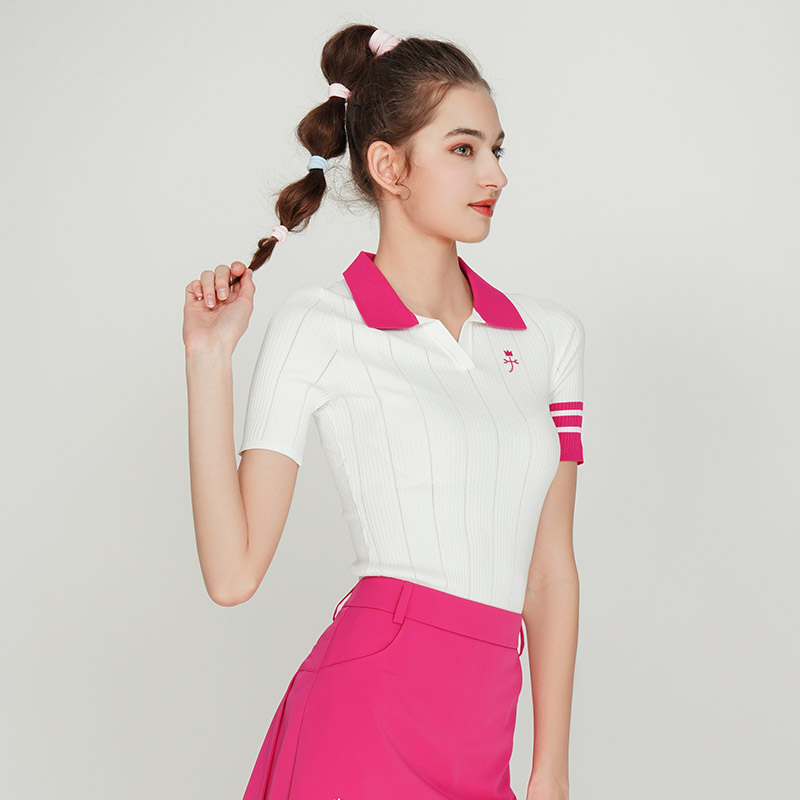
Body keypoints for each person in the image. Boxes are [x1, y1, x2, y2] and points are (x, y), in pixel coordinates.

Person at [182, 23, 585, 800]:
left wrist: (550, 771)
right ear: (388, 166)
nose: (495, 174)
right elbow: (233, 574)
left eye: (497, 148)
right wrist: (209, 361)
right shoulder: (320, 324)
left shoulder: (548, 339)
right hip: (368, 711)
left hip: (483, 730)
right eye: (464, 149)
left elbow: (550, 572)